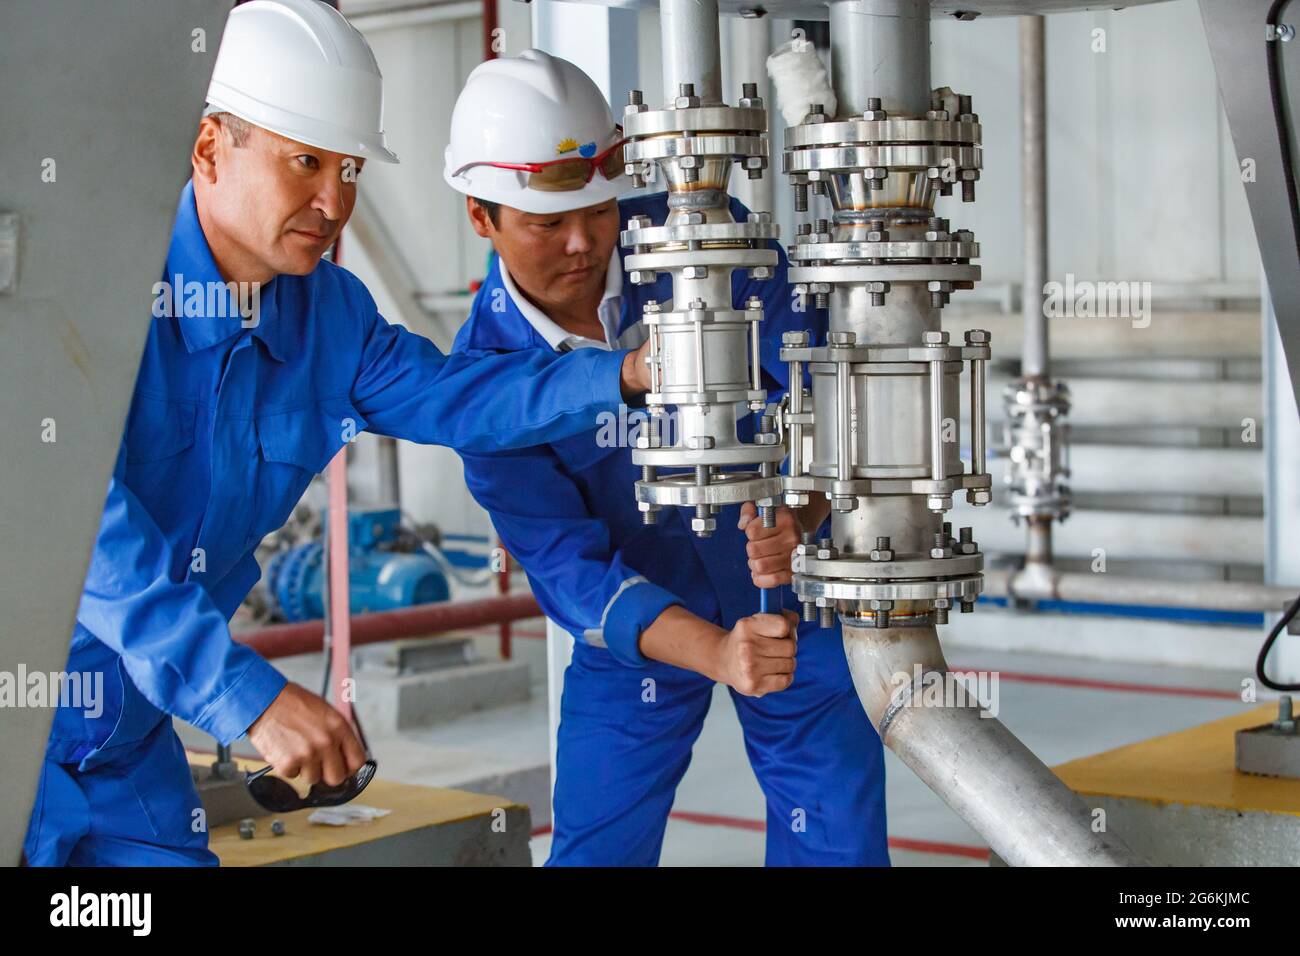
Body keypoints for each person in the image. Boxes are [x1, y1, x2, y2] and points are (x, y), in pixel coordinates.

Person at [23, 1, 651, 867]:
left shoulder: (329, 317)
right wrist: (246, 694)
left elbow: (456, 395)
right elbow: (84, 534)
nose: (334, 202)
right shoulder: (98, 300)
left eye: (349, 168)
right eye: (305, 162)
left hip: (127, 744)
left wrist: (622, 374)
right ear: (210, 149)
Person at [446, 49, 889, 866]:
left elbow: (828, 390)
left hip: (787, 589)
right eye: (547, 224)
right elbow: (569, 571)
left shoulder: (701, 238)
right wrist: (716, 651)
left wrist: (805, 513)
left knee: (835, 836)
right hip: (641, 628)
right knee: (596, 842)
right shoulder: (485, 386)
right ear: (483, 217)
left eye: (600, 209)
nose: (583, 242)